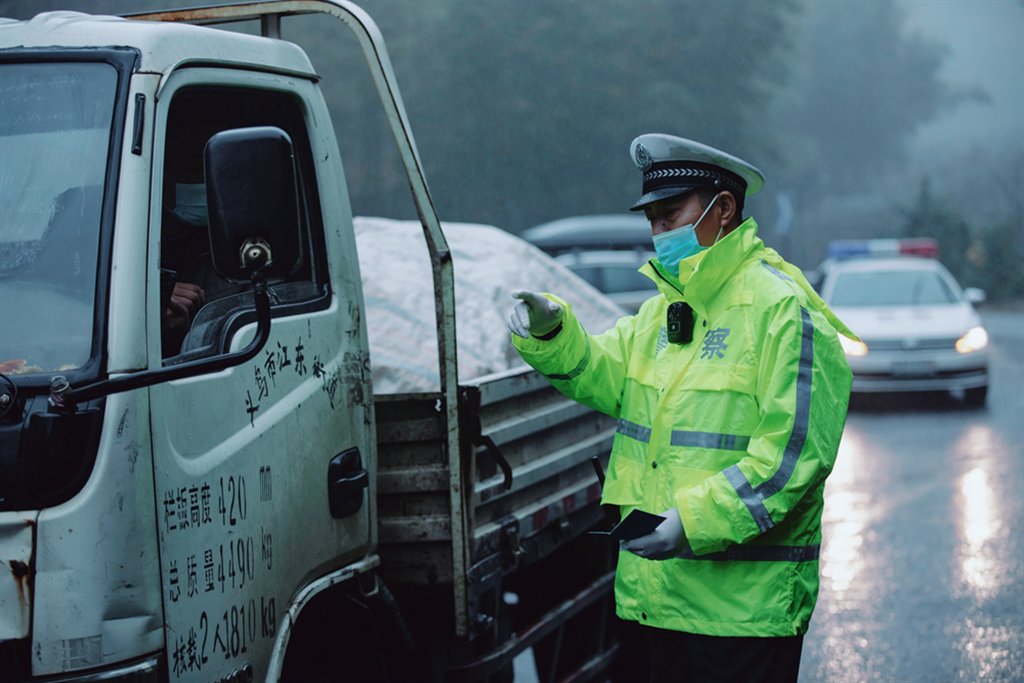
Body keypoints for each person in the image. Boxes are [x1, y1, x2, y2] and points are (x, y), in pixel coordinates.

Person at [508, 134, 856, 682]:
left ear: (723, 209)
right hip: (655, 601)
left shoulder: (784, 312)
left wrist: (689, 524)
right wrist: (553, 333)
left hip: (742, 617)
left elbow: (790, 464)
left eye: (671, 216)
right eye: (652, 221)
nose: (659, 233)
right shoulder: (663, 313)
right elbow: (601, 375)